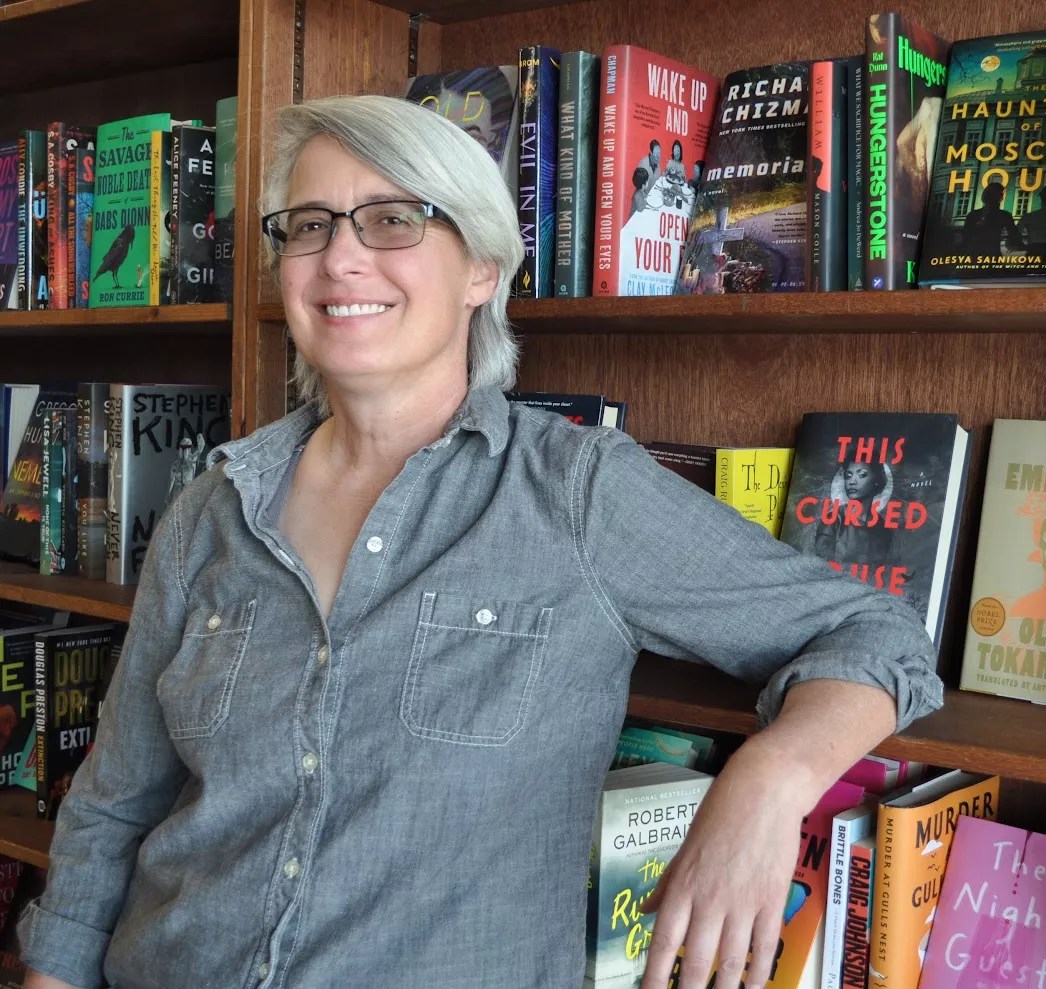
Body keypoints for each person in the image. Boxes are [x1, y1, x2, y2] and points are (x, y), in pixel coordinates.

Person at [19, 95, 941, 989]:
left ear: (482, 271)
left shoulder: (577, 492)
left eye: (391, 219)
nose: (340, 256)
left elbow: (880, 635)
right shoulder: (212, 507)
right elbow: (114, 804)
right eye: (308, 225)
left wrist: (771, 778)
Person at [961, 181, 1020, 257]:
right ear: (1000, 197)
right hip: (992, 255)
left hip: (974, 256)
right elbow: (1014, 235)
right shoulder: (1005, 215)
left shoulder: (973, 214)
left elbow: (965, 238)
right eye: (1002, 194)